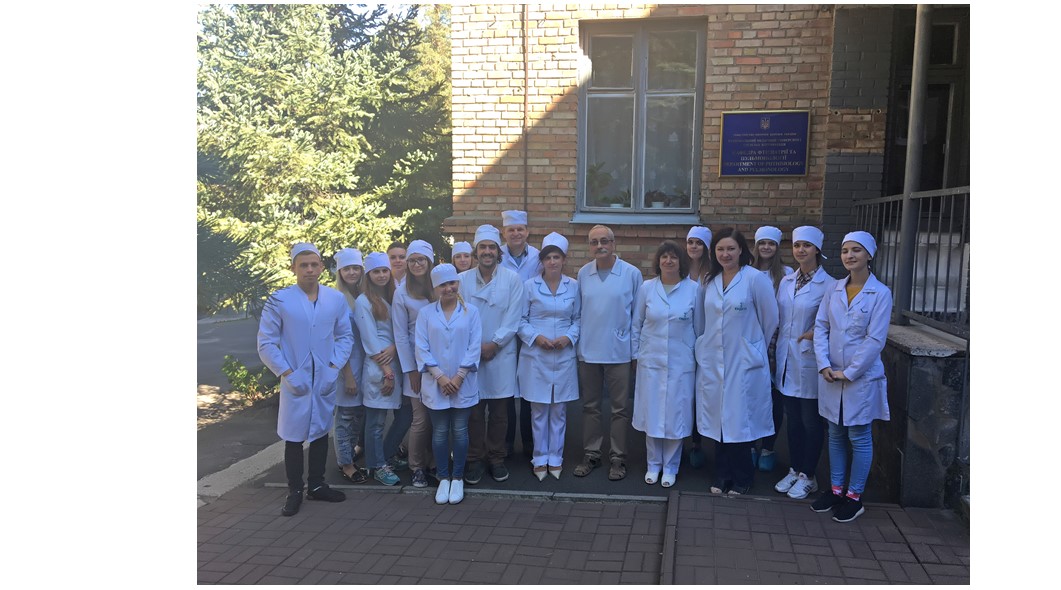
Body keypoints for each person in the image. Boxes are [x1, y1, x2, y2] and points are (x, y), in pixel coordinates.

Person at [257, 243, 353, 516]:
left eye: (314, 264)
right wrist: (287, 372)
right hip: (295, 378)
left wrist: (333, 367)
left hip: (324, 377)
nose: (309, 270)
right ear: (293, 268)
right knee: (294, 436)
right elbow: (266, 343)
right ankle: (295, 490)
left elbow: (345, 336)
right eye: (303, 265)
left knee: (321, 431)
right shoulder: (279, 300)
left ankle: (317, 485)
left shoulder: (335, 299)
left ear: (321, 267)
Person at [810, 231, 892, 523]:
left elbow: (875, 339)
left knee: (859, 436)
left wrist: (850, 372)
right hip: (831, 374)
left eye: (856, 250)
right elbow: (821, 327)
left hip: (861, 378)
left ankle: (854, 497)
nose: (849, 256)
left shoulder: (880, 293)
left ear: (869, 255)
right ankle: (835, 490)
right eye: (845, 251)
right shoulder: (833, 289)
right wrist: (824, 364)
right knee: (835, 433)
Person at [694, 228, 779, 496]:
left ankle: (743, 476)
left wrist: (753, 348)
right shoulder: (709, 280)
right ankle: (721, 475)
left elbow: (770, 319)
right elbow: (702, 320)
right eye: (720, 249)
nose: (725, 254)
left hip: (743, 361)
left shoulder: (755, 279)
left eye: (731, 248)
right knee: (719, 420)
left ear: (741, 250)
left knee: (740, 421)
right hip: (714, 360)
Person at [574, 224, 642, 481]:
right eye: (594, 242)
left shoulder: (631, 274)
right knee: (590, 406)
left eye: (604, 241)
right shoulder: (584, 273)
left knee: (619, 408)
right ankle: (592, 454)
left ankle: (618, 458)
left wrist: (635, 353)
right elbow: (579, 313)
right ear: (589, 246)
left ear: (614, 244)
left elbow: (637, 317)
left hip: (619, 351)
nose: (599, 246)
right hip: (589, 351)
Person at [459, 224, 525, 484]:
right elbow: (459, 316)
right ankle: (474, 459)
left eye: (492, 247)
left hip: (501, 354)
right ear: (476, 252)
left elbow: (514, 316)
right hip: (471, 353)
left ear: (499, 252)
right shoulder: (462, 280)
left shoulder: (512, 279)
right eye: (482, 247)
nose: (487, 251)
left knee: (499, 413)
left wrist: (495, 344)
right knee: (474, 413)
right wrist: (476, 347)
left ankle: (497, 458)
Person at [772, 227, 835, 500]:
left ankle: (809, 475)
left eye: (807, 246)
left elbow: (833, 322)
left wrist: (814, 333)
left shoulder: (830, 285)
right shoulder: (787, 281)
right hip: (786, 359)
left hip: (810, 359)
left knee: (811, 420)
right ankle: (795, 468)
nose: (801, 250)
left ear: (817, 249)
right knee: (793, 420)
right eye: (797, 245)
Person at [415, 264, 482, 505]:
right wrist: (441, 377)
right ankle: (443, 477)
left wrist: (460, 375)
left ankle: (458, 477)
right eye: (443, 284)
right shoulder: (425, 313)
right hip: (437, 383)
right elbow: (421, 347)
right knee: (441, 432)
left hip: (463, 382)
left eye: (452, 283)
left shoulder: (471, 312)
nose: (448, 288)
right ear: (435, 288)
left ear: (458, 284)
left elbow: (475, 345)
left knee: (461, 431)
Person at [632, 241, 697, 488]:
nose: (668, 261)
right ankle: (653, 464)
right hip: (651, 362)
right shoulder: (647, 288)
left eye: (674, 257)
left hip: (681, 364)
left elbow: (700, 328)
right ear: (658, 261)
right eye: (664, 257)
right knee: (652, 415)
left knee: (675, 416)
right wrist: (636, 356)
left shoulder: (693, 289)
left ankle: (671, 466)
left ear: (681, 262)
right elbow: (636, 324)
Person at [518, 232, 581, 480]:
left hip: (563, 354)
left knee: (559, 410)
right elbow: (520, 320)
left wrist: (568, 337)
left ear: (564, 260)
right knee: (538, 410)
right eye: (548, 258)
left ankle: (556, 458)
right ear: (542, 261)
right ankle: (539, 457)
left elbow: (578, 319)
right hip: (536, 355)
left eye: (556, 257)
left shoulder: (574, 286)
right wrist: (536, 337)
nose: (552, 262)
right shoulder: (529, 286)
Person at [352, 252, 404, 486]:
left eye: (384, 271)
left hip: (395, 361)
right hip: (379, 367)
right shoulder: (364, 301)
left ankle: (385, 455)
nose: (382, 275)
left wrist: (395, 348)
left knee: (403, 415)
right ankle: (376, 466)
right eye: (376, 272)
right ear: (369, 275)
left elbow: (399, 330)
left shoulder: (393, 296)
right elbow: (370, 340)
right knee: (376, 422)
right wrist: (387, 373)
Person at [392, 240, 437, 488]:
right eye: (412, 260)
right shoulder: (401, 293)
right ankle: (416, 466)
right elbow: (400, 335)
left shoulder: (438, 286)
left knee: (437, 418)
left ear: (429, 262)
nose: (417, 264)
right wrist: (410, 369)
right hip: (416, 366)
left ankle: (434, 462)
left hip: (440, 364)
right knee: (420, 419)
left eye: (421, 260)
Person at [751, 225, 795, 472]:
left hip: (776, 342)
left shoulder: (786, 274)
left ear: (777, 247)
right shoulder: (747, 271)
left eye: (771, 243)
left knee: (773, 397)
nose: (766, 247)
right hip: (750, 339)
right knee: (750, 395)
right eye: (762, 243)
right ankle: (749, 445)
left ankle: (768, 446)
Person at [499, 210, 542, 460]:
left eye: (520, 229)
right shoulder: (496, 255)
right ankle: (505, 441)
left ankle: (528, 441)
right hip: (503, 325)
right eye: (511, 230)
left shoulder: (537, 257)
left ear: (527, 232)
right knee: (505, 387)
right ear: (504, 233)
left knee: (527, 385)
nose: (516, 233)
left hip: (529, 327)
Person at [333, 247, 368, 484]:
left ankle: (351, 453)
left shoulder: (363, 296)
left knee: (358, 415)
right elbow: (337, 341)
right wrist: (347, 375)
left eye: (356, 268)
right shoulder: (336, 300)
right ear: (340, 272)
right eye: (347, 269)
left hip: (364, 365)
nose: (352, 272)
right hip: (348, 367)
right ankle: (345, 464)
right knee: (345, 417)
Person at [684, 225, 712, 468]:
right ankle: (684, 441)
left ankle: (699, 442)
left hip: (708, 338)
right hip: (683, 340)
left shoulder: (713, 274)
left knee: (702, 392)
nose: (694, 246)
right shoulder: (679, 270)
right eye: (690, 242)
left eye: (699, 243)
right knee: (685, 393)